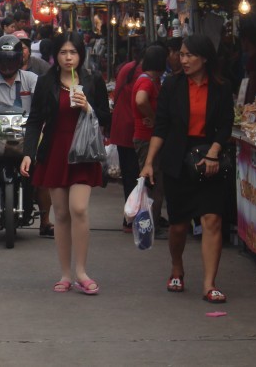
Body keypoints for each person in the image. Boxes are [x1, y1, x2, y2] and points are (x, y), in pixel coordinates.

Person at [140, 34, 235, 304]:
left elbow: (227, 124)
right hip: (177, 159)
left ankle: (209, 284)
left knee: (212, 220)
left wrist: (215, 152)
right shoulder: (172, 84)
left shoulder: (221, 86)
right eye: (181, 55)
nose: (184, 60)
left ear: (204, 57)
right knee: (179, 225)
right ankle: (177, 267)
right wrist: (149, 163)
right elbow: (161, 127)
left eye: (190, 55)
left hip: (210, 158)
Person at [21, 33, 110, 295]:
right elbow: (35, 120)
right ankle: (65, 274)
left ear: (81, 55)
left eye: (73, 52)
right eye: (63, 52)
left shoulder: (93, 80)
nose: (68, 57)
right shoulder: (46, 82)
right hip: (55, 150)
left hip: (83, 151)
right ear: (55, 56)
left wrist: (89, 107)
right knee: (60, 214)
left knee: (79, 209)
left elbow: (106, 116)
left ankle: (82, 271)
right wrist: (29, 152)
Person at [0, 36, 53, 236]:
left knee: (42, 167)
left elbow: (45, 102)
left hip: (29, 131)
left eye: (10, 59)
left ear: (19, 60)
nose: (6, 65)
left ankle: (46, 221)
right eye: (2, 60)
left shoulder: (31, 79)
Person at [132, 45, 168, 230]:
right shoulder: (146, 82)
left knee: (152, 183)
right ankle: (150, 224)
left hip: (146, 136)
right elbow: (140, 100)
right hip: (147, 138)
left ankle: (150, 222)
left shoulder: (148, 79)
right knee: (153, 183)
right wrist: (154, 119)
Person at [110, 48, 143, 231]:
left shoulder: (129, 67)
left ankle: (130, 218)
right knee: (136, 177)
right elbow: (141, 101)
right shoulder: (141, 73)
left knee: (130, 176)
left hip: (122, 127)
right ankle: (134, 218)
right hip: (133, 129)